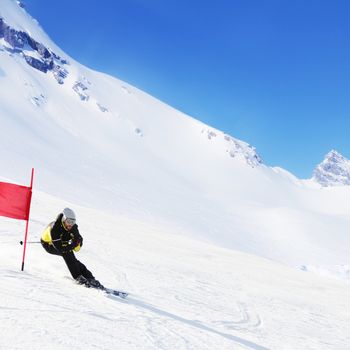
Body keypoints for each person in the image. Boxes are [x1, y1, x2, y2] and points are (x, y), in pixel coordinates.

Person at [41, 207, 103, 289]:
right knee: (67, 254)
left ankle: (90, 277)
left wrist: (78, 243)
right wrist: (72, 245)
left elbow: (77, 246)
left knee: (73, 258)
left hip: (62, 242)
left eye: (73, 222)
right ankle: (78, 277)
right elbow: (60, 249)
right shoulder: (55, 229)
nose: (70, 224)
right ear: (64, 219)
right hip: (49, 244)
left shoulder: (73, 227)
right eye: (69, 221)